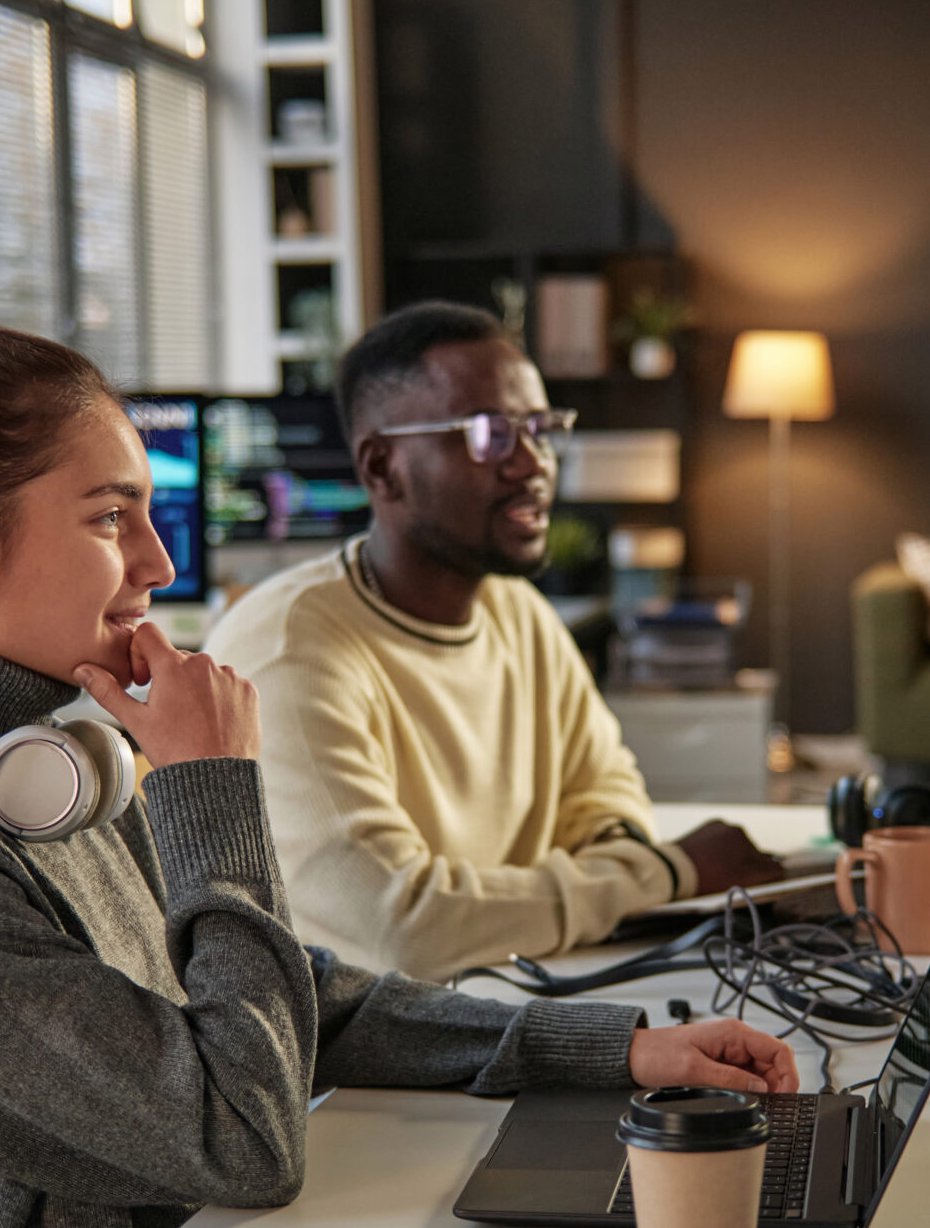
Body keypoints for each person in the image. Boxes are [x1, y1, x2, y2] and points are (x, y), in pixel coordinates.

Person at [0, 309, 799, 1228]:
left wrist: (612, 1049)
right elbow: (240, 1138)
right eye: (107, 518)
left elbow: (298, 999)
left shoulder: (37, 760)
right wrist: (209, 788)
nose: (157, 563)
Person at [203, 302, 784, 982]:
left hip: (512, 990)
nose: (533, 463)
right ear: (382, 466)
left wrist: (518, 905)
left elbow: (606, 802)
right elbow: (403, 929)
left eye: (541, 428)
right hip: (346, 1062)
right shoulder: (287, 651)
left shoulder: (521, 615)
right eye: (490, 434)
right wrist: (669, 869)